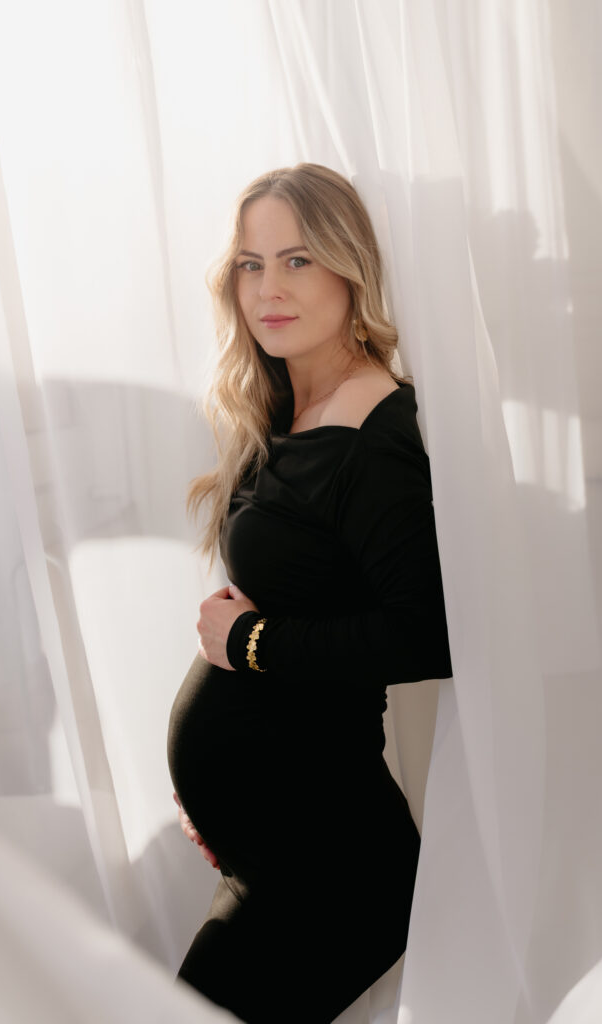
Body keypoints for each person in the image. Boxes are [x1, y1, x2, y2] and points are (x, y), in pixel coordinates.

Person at [167, 163, 452, 1023]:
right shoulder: (284, 409)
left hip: (331, 862)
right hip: (274, 846)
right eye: (250, 265)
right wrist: (220, 792)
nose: (269, 289)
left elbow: (425, 634)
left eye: (297, 260)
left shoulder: (374, 432)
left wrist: (249, 646)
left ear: (349, 267)